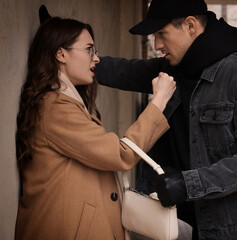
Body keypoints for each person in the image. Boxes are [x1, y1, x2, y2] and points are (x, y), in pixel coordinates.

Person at [95, 0, 237, 239]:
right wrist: (70, 51)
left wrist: (189, 185)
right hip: (199, 226)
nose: (157, 45)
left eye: (162, 34)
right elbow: (124, 71)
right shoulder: (176, 68)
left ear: (190, 25)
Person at [15, 13, 176, 240]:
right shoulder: (55, 107)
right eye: (89, 49)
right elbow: (122, 154)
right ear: (61, 53)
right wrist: (158, 102)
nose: (96, 58)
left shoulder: (62, 102)